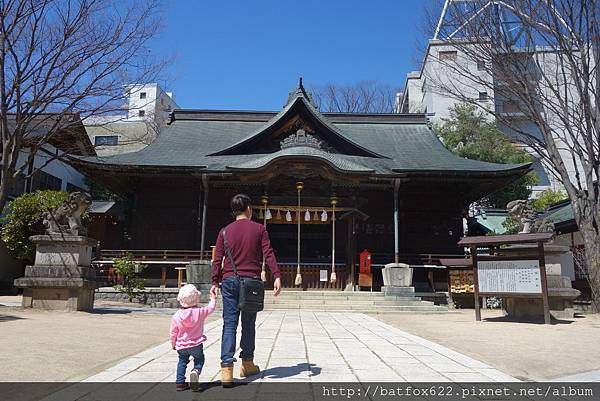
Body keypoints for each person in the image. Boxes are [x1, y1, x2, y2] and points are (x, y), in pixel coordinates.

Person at [211, 193, 282, 386]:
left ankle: (226, 369)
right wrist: (276, 275)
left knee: (229, 324)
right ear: (249, 209)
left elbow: (217, 259)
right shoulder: (259, 229)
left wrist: (213, 282)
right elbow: (268, 253)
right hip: (250, 282)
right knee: (248, 325)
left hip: (229, 282)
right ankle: (247, 364)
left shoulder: (224, 231)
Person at [169, 284, 216, 391]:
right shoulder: (199, 312)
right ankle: (196, 371)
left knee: (182, 361)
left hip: (181, 344)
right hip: (196, 344)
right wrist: (213, 297)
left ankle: (180, 383)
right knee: (199, 359)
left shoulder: (177, 315)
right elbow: (211, 308)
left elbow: (173, 332)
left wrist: (173, 343)